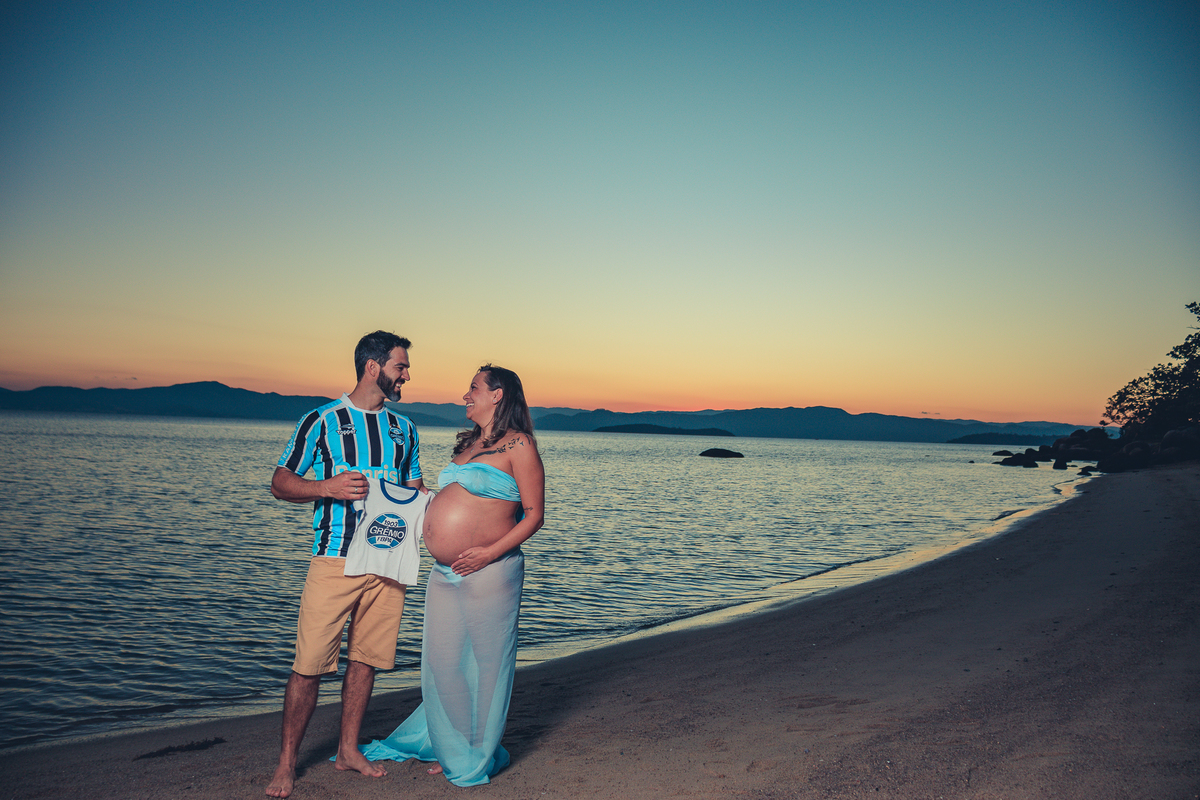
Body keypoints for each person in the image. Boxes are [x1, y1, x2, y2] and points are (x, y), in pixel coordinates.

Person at [358, 364, 545, 786]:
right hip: (445, 572)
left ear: (497, 395)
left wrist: (488, 553)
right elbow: (454, 499)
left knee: (486, 664)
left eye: (474, 388)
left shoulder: (520, 444)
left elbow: (534, 515)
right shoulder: (469, 445)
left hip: (491, 571)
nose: (466, 395)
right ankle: (455, 743)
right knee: (443, 664)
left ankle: (474, 753)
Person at [266, 330, 426, 799]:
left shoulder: (405, 429)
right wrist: (325, 488)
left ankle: (348, 750)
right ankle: (286, 764)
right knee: (310, 664)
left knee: (366, 660)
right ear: (373, 367)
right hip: (334, 559)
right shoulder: (321, 420)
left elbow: (414, 491)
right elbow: (280, 482)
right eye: (401, 366)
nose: (407, 375)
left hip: (389, 562)